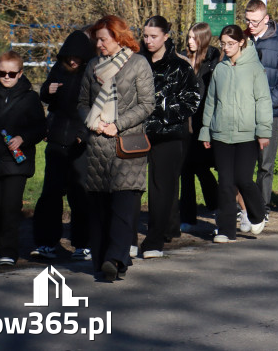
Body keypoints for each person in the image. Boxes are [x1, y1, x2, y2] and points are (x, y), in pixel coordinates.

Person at [79, 15, 155, 282]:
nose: (98, 44)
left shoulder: (138, 64)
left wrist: (117, 124)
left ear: (118, 37)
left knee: (123, 207)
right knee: (100, 210)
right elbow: (82, 103)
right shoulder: (92, 66)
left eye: (103, 39)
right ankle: (105, 261)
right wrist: (93, 122)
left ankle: (115, 258)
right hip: (98, 147)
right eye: (96, 40)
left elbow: (147, 104)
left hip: (127, 147)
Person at [199, 25, 271, 242]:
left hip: (247, 134)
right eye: (223, 44)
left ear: (241, 42)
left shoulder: (254, 68)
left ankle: (258, 213)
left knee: (243, 179)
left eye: (231, 43)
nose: (226, 47)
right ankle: (226, 230)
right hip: (221, 133)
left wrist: (263, 131)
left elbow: (263, 100)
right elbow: (211, 101)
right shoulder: (220, 70)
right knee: (225, 183)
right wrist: (205, 131)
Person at [137, 16, 200, 259]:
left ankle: (155, 240)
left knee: (161, 188)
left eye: (154, 36)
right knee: (130, 186)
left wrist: (162, 113)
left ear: (165, 36)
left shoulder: (180, 66)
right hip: (136, 131)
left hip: (168, 134)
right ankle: (127, 238)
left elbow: (192, 100)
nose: (149, 41)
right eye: (145, 36)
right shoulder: (136, 62)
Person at [0, 51, 46, 267]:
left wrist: (23, 138)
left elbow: (40, 127)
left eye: (12, 73)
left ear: (20, 73)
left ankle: (9, 249)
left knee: (10, 207)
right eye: (2, 73)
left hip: (16, 163)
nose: (6, 77)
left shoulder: (30, 98)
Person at [32, 30, 95, 261]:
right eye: (69, 57)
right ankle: (47, 242)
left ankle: (82, 243)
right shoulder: (58, 69)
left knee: (80, 194)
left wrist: (84, 134)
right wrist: (47, 91)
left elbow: (96, 106)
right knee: (51, 193)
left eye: (77, 58)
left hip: (79, 142)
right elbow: (45, 97)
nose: (72, 61)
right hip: (57, 138)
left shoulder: (90, 72)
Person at [244, 0, 278, 216]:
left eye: (255, 21)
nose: (250, 25)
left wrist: (266, 103)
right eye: (247, 21)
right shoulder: (242, 40)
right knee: (243, 163)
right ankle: (243, 206)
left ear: (266, 19)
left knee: (265, 164)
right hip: (243, 113)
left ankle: (262, 207)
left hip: (269, 113)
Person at [178, 22, 220, 230]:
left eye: (194, 38)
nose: (190, 42)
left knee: (202, 168)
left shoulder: (212, 62)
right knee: (185, 170)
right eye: (188, 37)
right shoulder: (182, 59)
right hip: (184, 123)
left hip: (203, 123)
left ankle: (216, 205)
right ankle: (187, 217)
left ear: (203, 39)